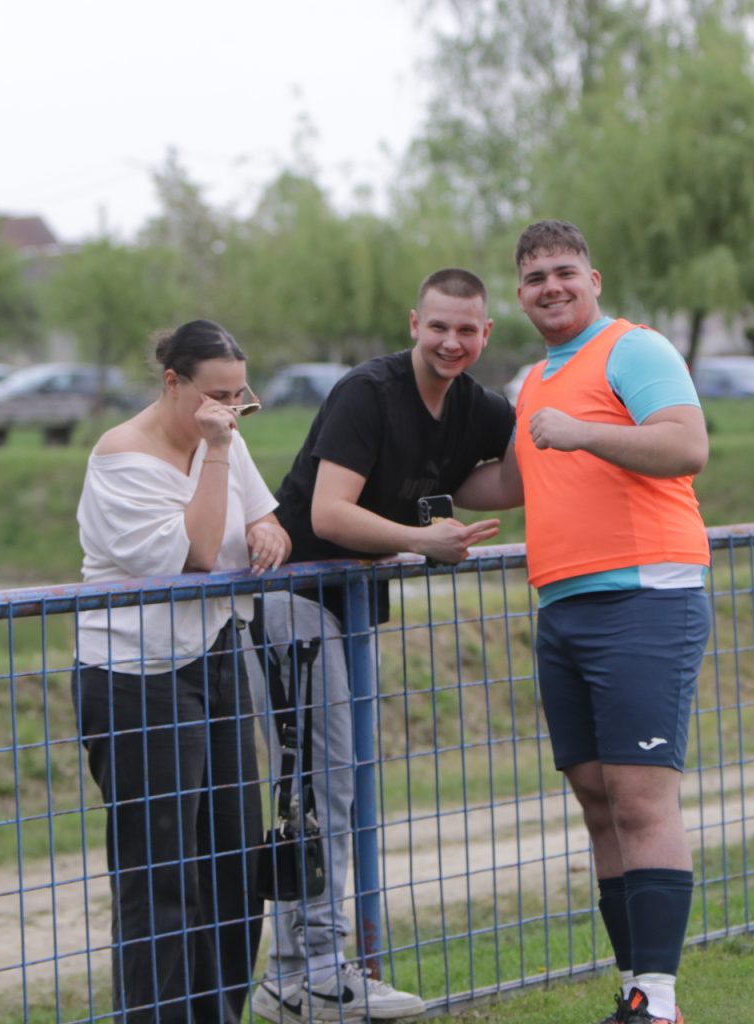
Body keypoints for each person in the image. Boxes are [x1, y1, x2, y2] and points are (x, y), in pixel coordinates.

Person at [249, 268, 514, 1023]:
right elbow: (329, 515)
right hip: (294, 605)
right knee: (317, 787)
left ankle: (299, 977)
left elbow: (506, 481)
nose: (452, 342)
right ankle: (312, 974)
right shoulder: (367, 393)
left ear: (486, 333)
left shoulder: (475, 406)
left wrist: (551, 416)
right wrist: (423, 542)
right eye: (439, 326)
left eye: (467, 329)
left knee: (334, 785)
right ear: (414, 324)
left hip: (350, 610)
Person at [504, 220, 712, 1024]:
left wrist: (583, 432)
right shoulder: (534, 379)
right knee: (597, 801)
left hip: (645, 595)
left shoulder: (635, 349)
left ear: (593, 279)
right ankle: (634, 987)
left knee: (639, 800)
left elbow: (686, 446)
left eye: (564, 271)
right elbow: (513, 481)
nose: (551, 287)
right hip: (563, 605)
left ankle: (659, 1002)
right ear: (520, 295)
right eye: (534, 278)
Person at [74, 319, 287, 1024]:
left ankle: (220, 1013)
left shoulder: (223, 439)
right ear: (173, 382)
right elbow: (197, 553)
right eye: (217, 396)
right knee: (161, 873)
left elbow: (265, 520)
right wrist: (218, 452)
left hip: (216, 653)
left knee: (234, 861)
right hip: (136, 675)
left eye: (239, 396)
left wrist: (268, 531)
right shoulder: (122, 459)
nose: (230, 411)